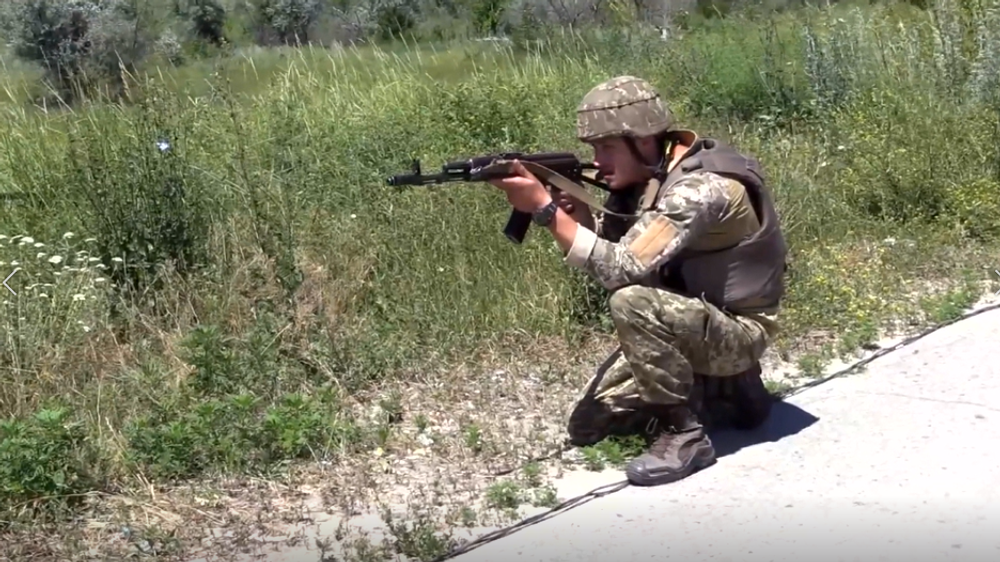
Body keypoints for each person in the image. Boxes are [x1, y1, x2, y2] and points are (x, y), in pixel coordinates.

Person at [487, 75, 788, 487]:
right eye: (594, 148)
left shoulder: (699, 189)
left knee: (631, 302)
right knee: (590, 425)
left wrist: (544, 211)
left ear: (643, 141)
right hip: (694, 319)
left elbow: (622, 271)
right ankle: (729, 392)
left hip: (738, 331)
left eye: (607, 147)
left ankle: (684, 433)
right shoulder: (650, 177)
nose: (598, 160)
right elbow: (624, 250)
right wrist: (579, 219)